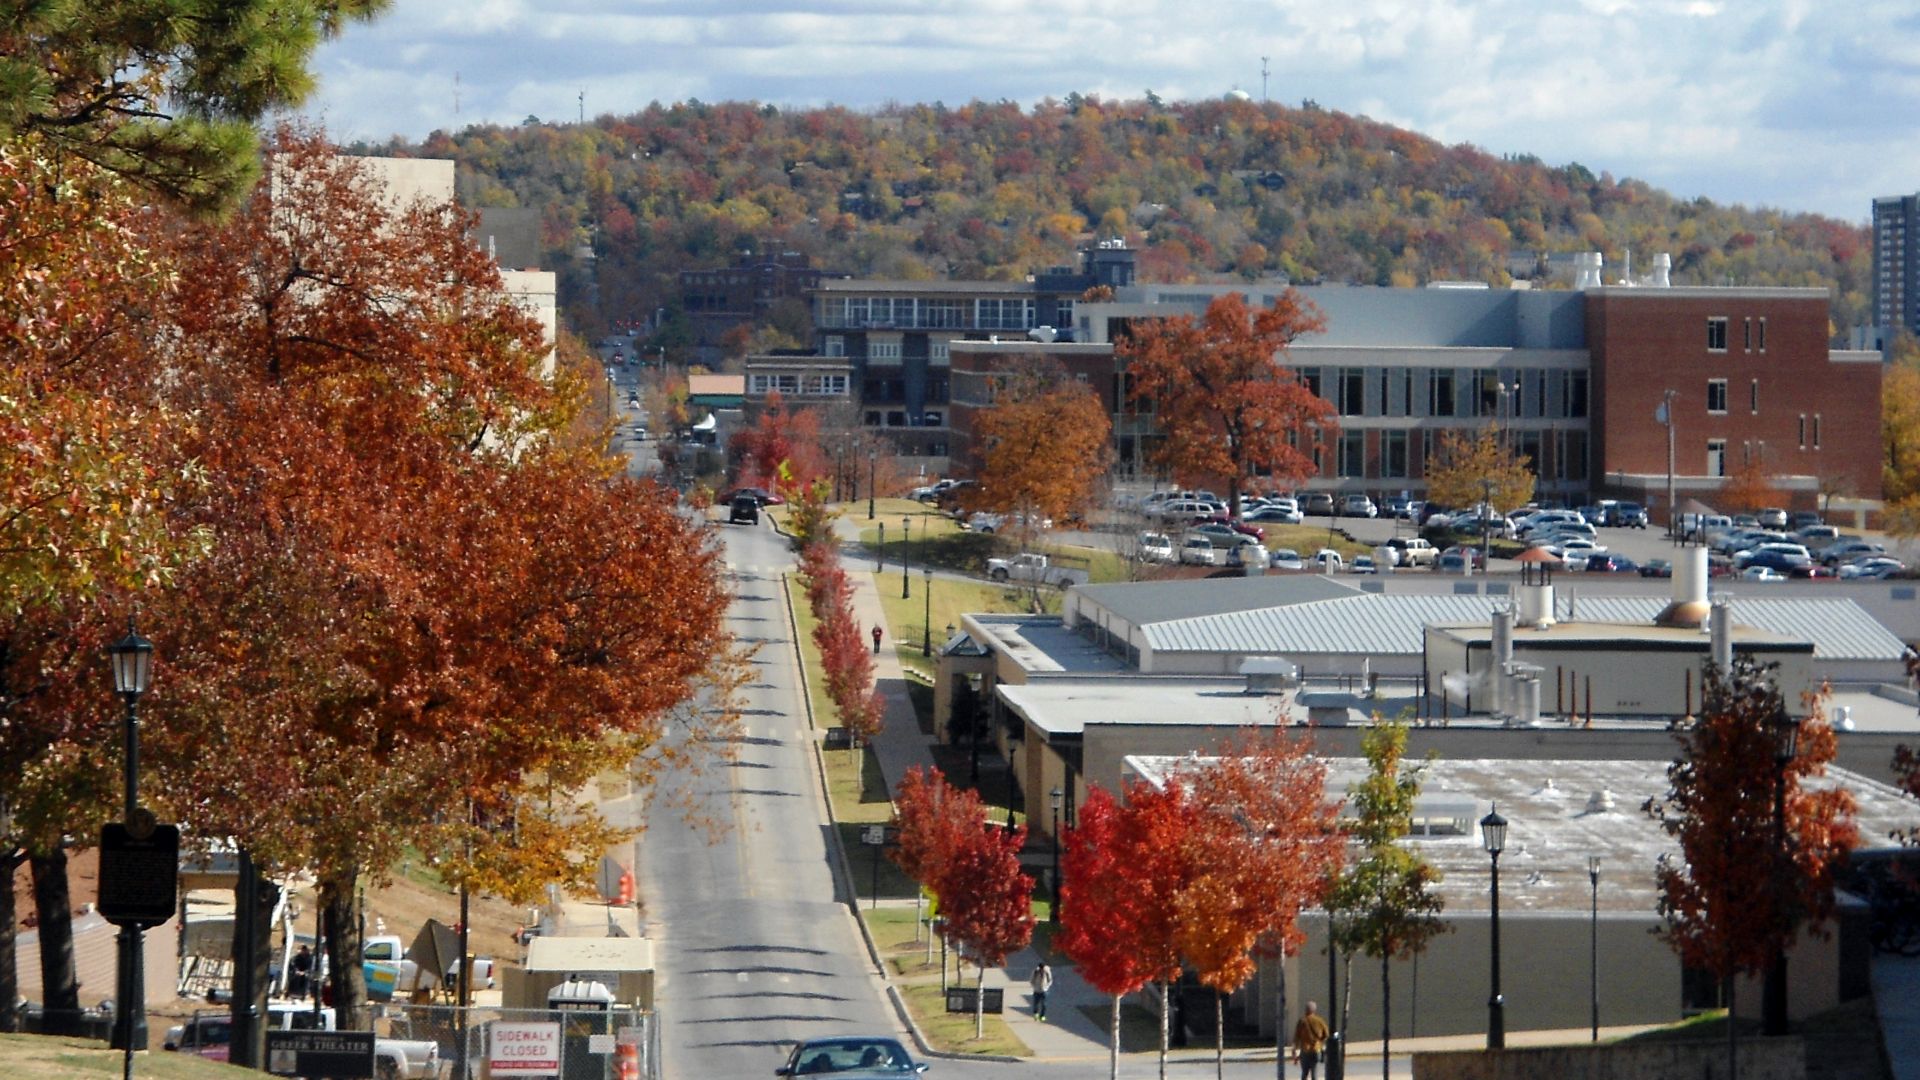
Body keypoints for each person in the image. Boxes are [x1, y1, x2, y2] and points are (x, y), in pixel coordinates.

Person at [1293, 1000, 1331, 1080]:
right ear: (1314, 1010)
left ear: (1306, 1010)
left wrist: (1294, 1052)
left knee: (1304, 1073)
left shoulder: (1302, 1021)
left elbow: (1296, 1037)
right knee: (1314, 1072)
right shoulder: (1320, 1021)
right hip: (1316, 1049)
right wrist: (1320, 1042)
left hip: (1305, 1050)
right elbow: (1327, 1034)